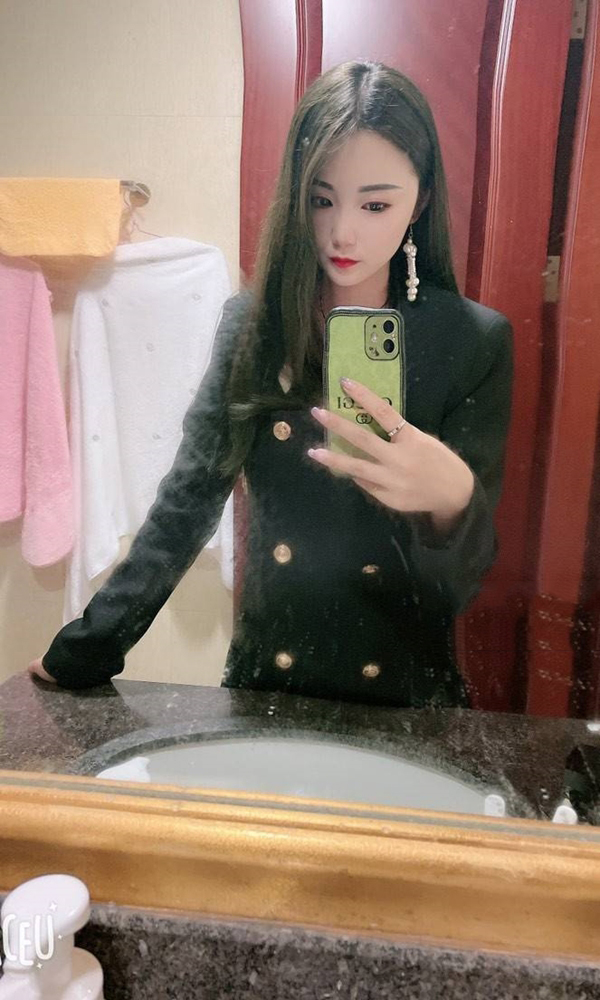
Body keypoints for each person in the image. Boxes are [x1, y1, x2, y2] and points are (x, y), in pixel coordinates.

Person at [29, 60, 513, 708]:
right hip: (271, 681)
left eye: (376, 204)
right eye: (321, 199)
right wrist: (87, 647)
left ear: (420, 201)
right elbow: (188, 501)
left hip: (408, 695)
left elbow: (464, 588)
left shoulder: (473, 341)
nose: (342, 231)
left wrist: (454, 501)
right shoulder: (254, 326)